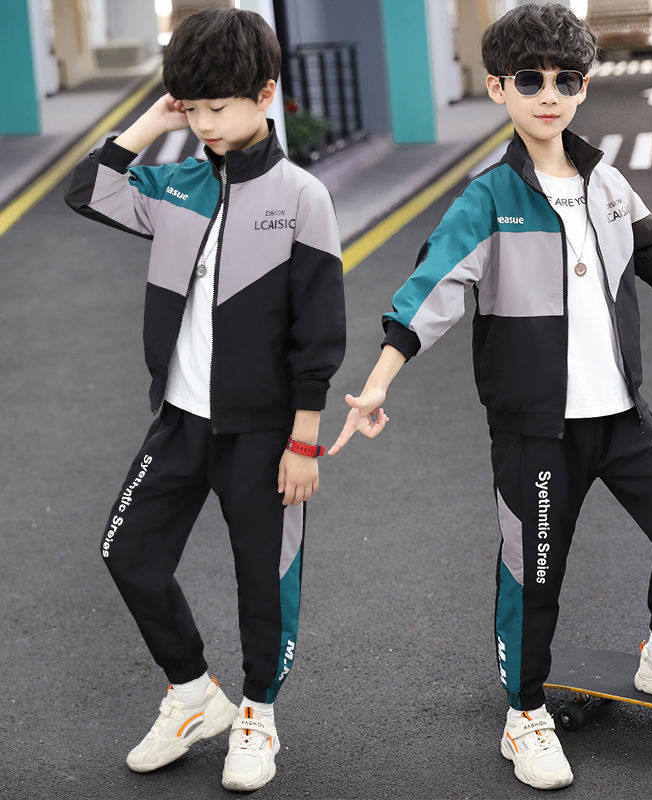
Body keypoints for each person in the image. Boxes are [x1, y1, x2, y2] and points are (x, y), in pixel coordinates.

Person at [327, 2, 652, 791]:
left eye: (566, 79)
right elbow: (428, 291)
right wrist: (377, 382)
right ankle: (524, 714)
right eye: (529, 80)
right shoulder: (487, 198)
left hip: (621, 416)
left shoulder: (606, 181)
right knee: (533, 578)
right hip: (536, 431)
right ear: (499, 87)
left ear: (583, 87)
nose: (549, 94)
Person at [64, 8, 345, 792]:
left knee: (264, 581)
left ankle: (258, 714)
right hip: (182, 421)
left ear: (265, 94)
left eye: (218, 106)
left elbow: (320, 330)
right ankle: (192, 693)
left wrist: (304, 440)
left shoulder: (302, 197)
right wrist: (155, 119)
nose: (206, 123)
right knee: (127, 552)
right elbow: (86, 189)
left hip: (264, 434)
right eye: (192, 108)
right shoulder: (177, 186)